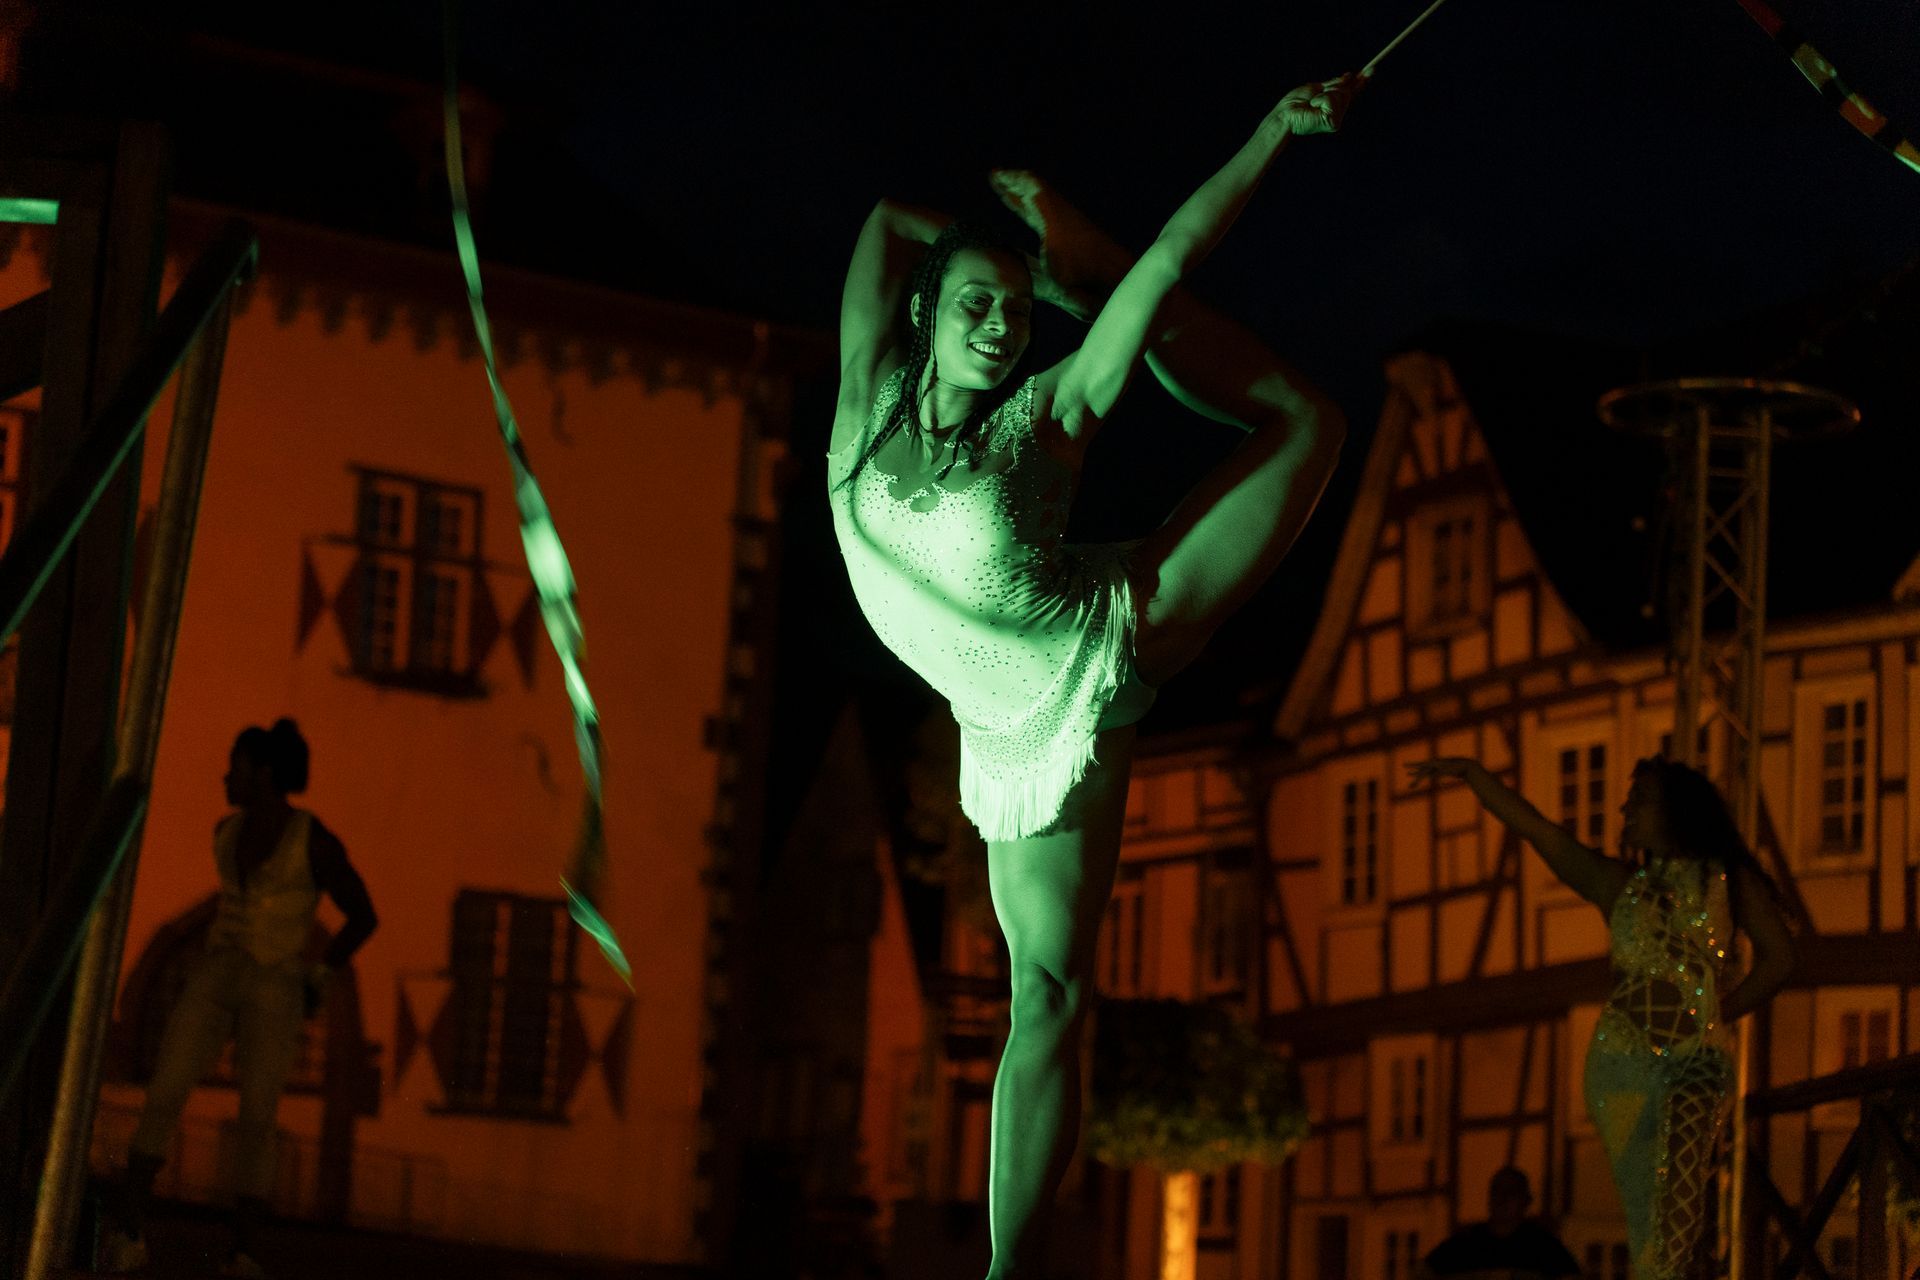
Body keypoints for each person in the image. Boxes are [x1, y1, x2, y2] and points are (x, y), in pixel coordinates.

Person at [829, 75, 1354, 1278]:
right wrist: (1004, 242)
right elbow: (884, 222)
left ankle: (1009, 1271)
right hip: (994, 721)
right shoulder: (866, 401)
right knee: (1044, 997)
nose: (999, 327)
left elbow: (1174, 258)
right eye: (977, 304)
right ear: (926, 312)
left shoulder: (1044, 419)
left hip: (1101, 651)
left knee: (1308, 425)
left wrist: (1272, 129)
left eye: (1018, 311)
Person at [1408, 755, 1796, 1280]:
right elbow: (1539, 831)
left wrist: (1717, 1015)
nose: (1623, 809)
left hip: (1695, 1062)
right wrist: (1474, 775)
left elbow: (1780, 960)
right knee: (1649, 1220)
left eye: (1639, 799)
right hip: (1623, 1066)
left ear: (1675, 809)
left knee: (1678, 1218)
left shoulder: (1728, 882)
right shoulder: (1618, 885)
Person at [103, 719, 377, 1279]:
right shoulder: (226, 832)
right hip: (218, 969)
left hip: (276, 980)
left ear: (264, 774)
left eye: (237, 768)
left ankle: (244, 1251)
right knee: (166, 1087)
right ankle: (130, 1229)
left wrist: (322, 971)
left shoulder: (314, 841)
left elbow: (363, 914)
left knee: (258, 1114)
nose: (227, 777)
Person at [1421, 1166, 1579, 1279]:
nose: (1502, 1198)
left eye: (1511, 1191)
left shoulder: (1545, 1249)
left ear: (1526, 1200)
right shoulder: (1464, 1245)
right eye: (1497, 1190)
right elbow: (1423, 1272)